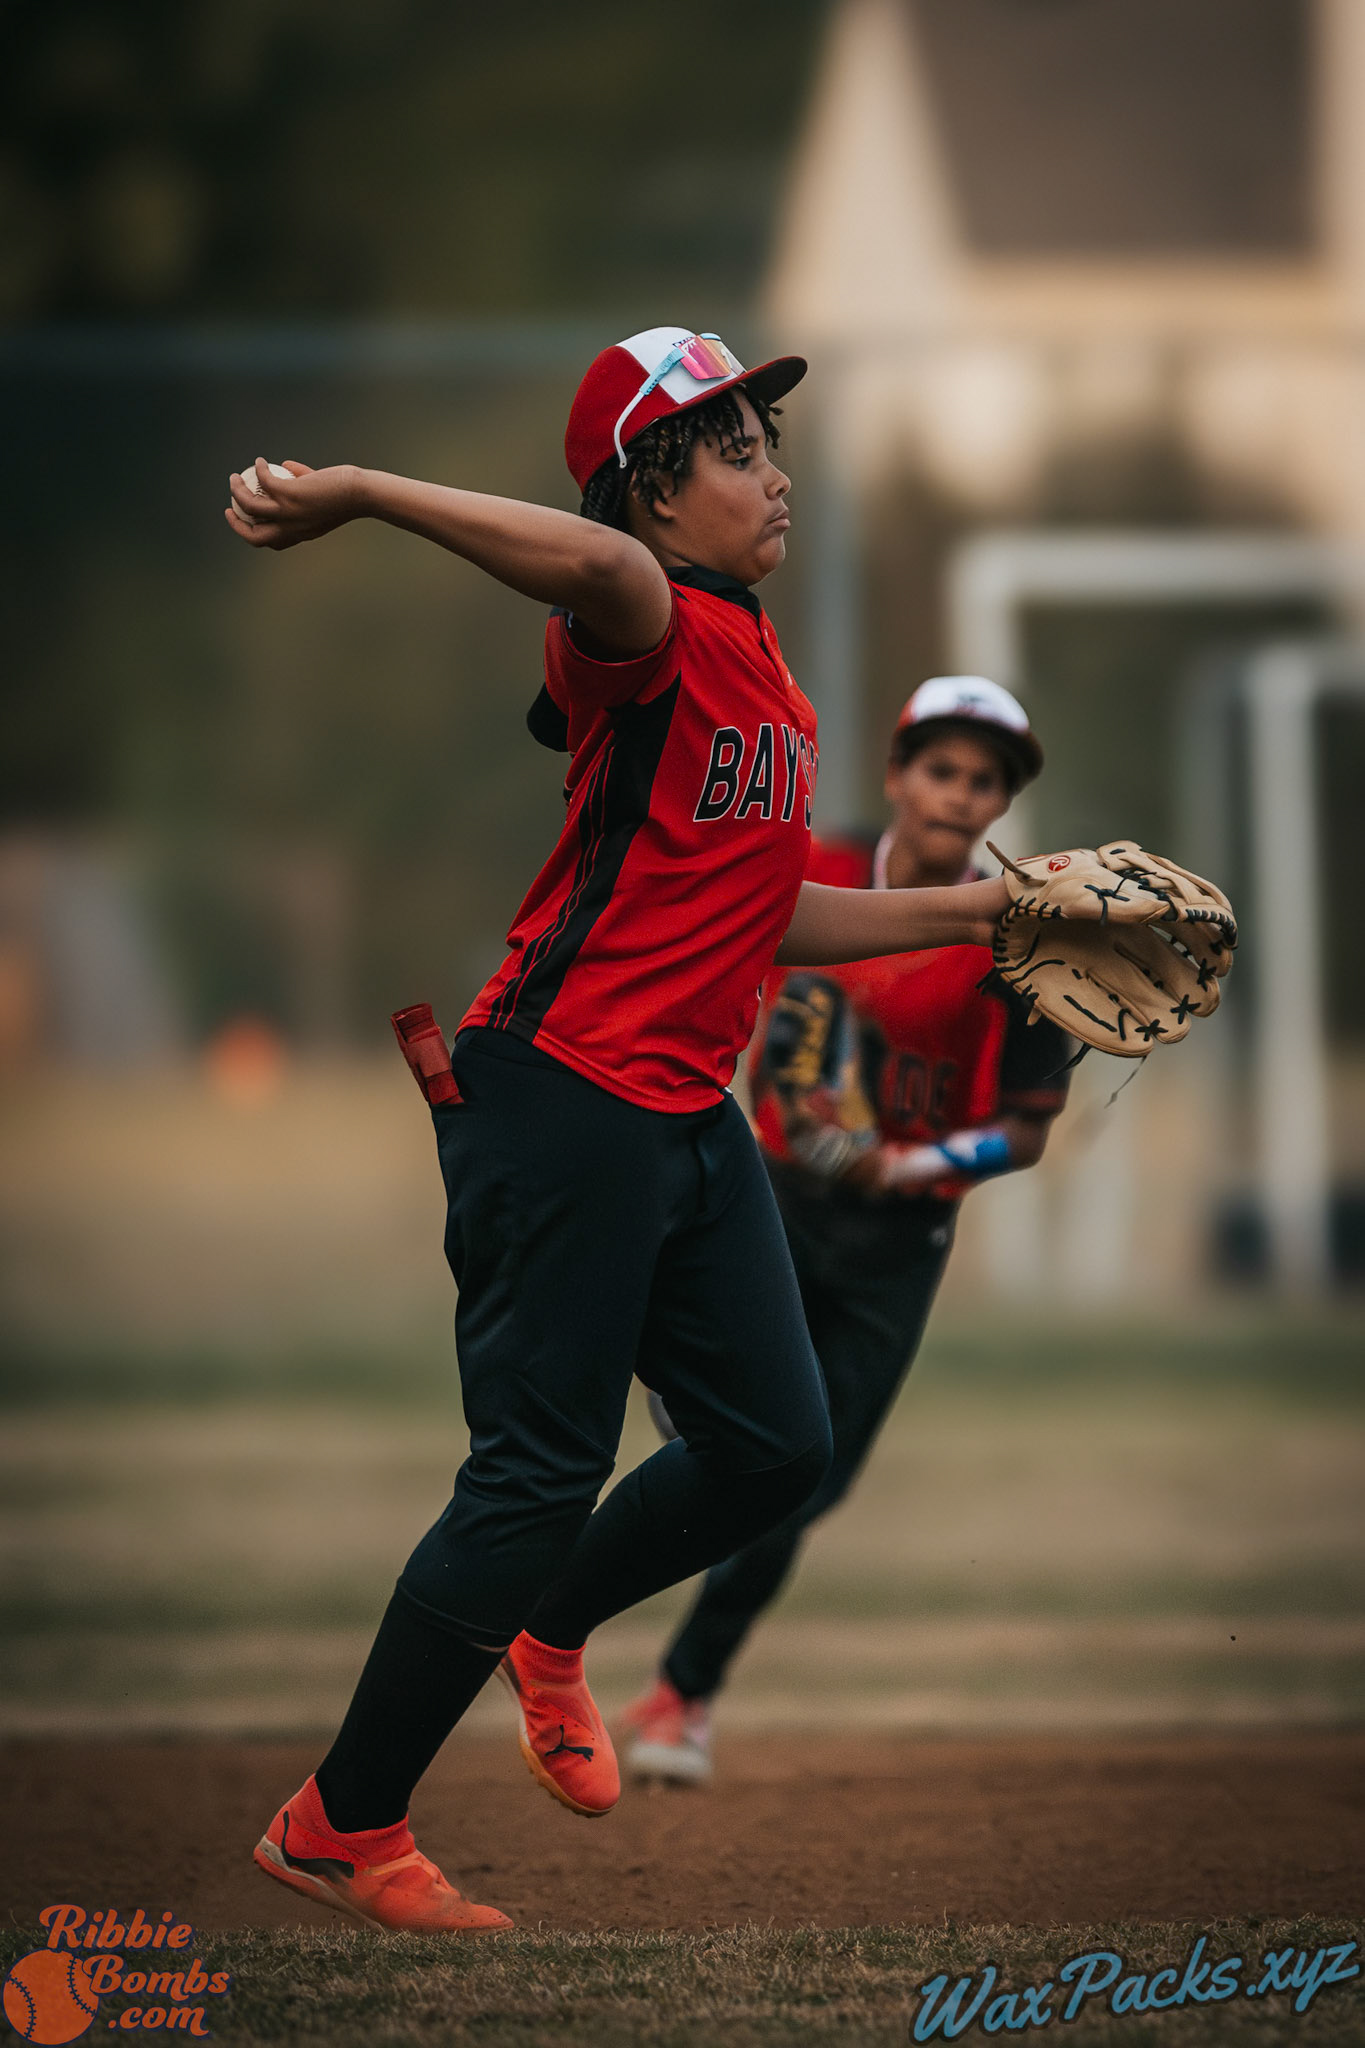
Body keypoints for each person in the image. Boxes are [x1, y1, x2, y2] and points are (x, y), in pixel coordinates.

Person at [225, 326, 1020, 1935]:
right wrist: (366, 491)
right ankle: (342, 1823)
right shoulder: (640, 613)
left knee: (775, 1447)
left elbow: (762, 917)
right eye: (731, 446)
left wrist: (990, 913)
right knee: (533, 1474)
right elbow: (584, 554)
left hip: (680, 1110)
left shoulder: (765, 673)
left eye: (765, 442)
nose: (772, 469)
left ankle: (550, 1632)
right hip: (559, 1093)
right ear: (652, 489)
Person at [621, 676, 1073, 1786]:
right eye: (942, 768)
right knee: (760, 1446)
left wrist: (907, 1161)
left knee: (806, 1482)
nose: (960, 795)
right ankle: (683, 1670)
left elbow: (1022, 1134)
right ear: (896, 776)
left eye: (984, 780)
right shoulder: (813, 867)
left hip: (898, 1237)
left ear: (999, 805)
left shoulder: (1026, 944)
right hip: (771, 1198)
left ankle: (683, 1683)